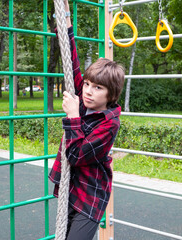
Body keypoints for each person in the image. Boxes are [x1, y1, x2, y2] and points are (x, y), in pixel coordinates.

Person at [49, 1, 125, 239]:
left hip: (91, 194)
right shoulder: (84, 96)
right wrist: (66, 19)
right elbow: (72, 63)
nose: (89, 91)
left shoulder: (109, 123)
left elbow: (76, 155)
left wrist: (72, 115)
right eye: (89, 85)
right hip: (70, 185)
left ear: (110, 95)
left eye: (98, 88)